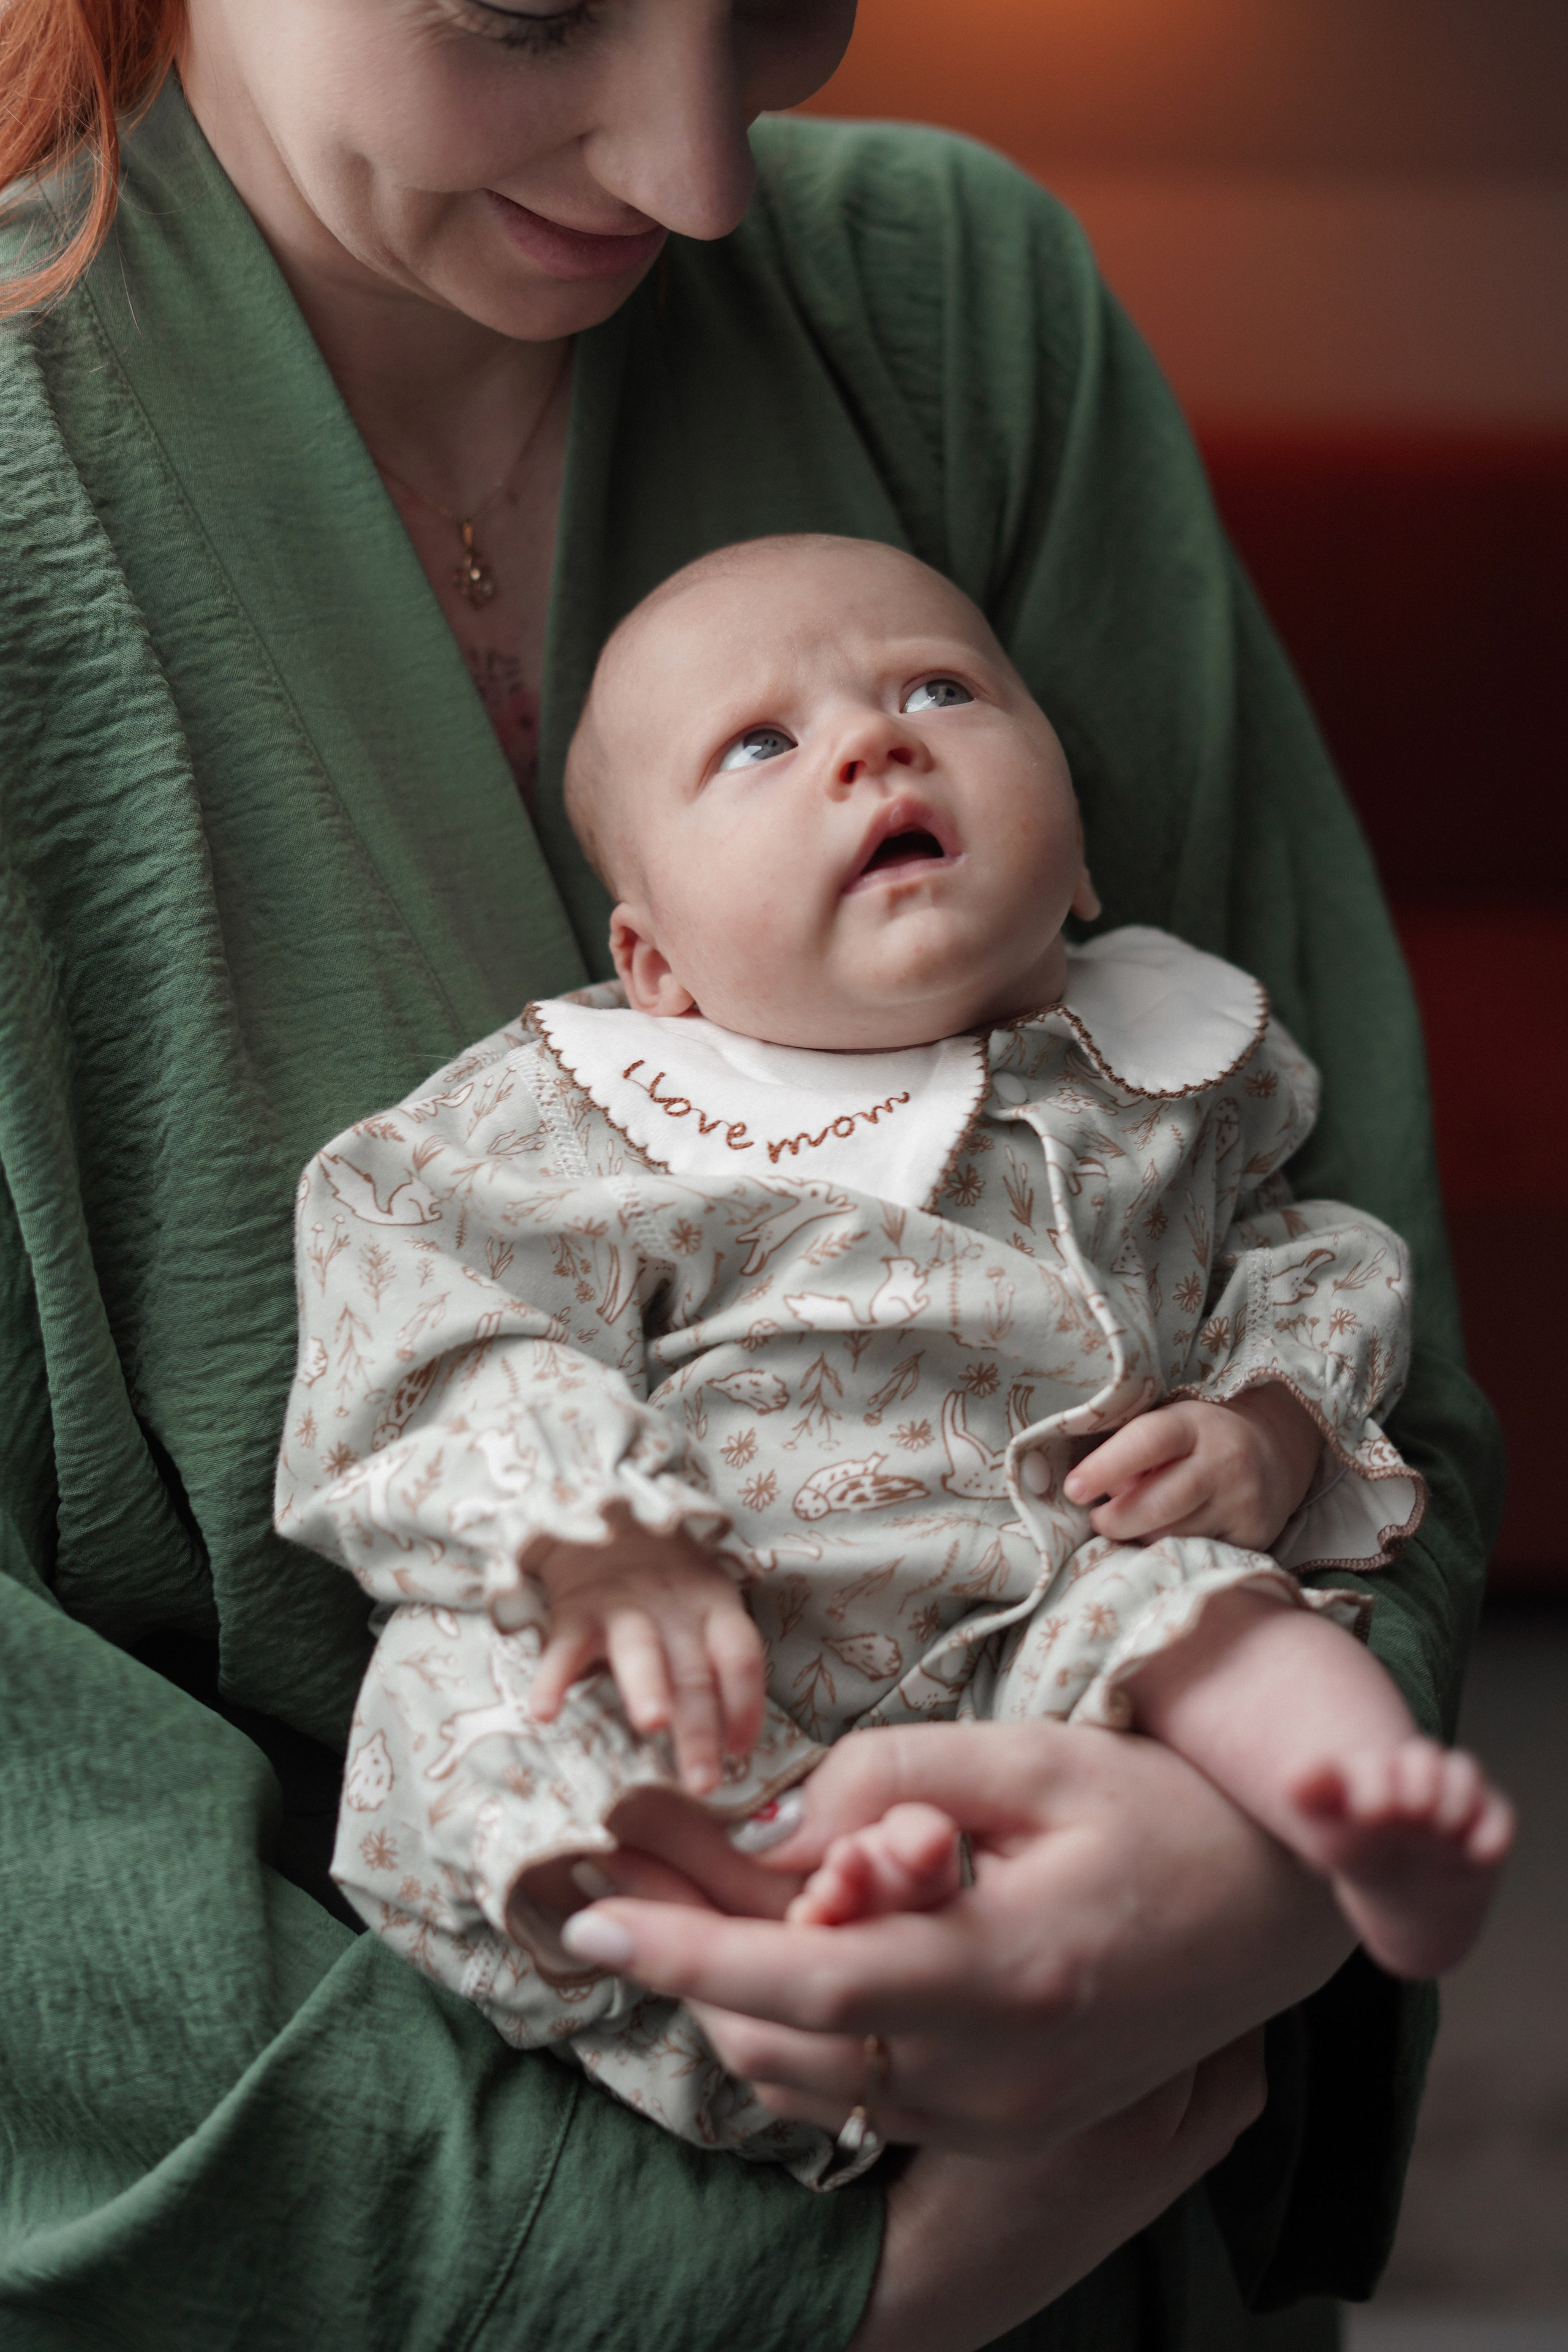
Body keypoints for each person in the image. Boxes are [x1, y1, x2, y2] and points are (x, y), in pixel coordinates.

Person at [0, 1, 1502, 2345]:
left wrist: (1252, 1873)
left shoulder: (959, 304)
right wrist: (748, 2287)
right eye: (530, 4)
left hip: (1123, 2202)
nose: (699, 178)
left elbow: (1326, 1263)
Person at [277, 532, 1510, 2182]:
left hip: (1058, 1601)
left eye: (939, 690)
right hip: (700, 1647)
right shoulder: (590, 1117)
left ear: (1080, 863)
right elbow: (427, 1309)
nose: (873, 742)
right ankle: (751, 1936)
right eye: (759, 744)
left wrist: (1267, 1425)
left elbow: (1310, 1261)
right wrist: (588, 1530)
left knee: (1212, 1616)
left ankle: (1356, 1799)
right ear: (657, 967)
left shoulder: (1166, 1074)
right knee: (474, 1692)